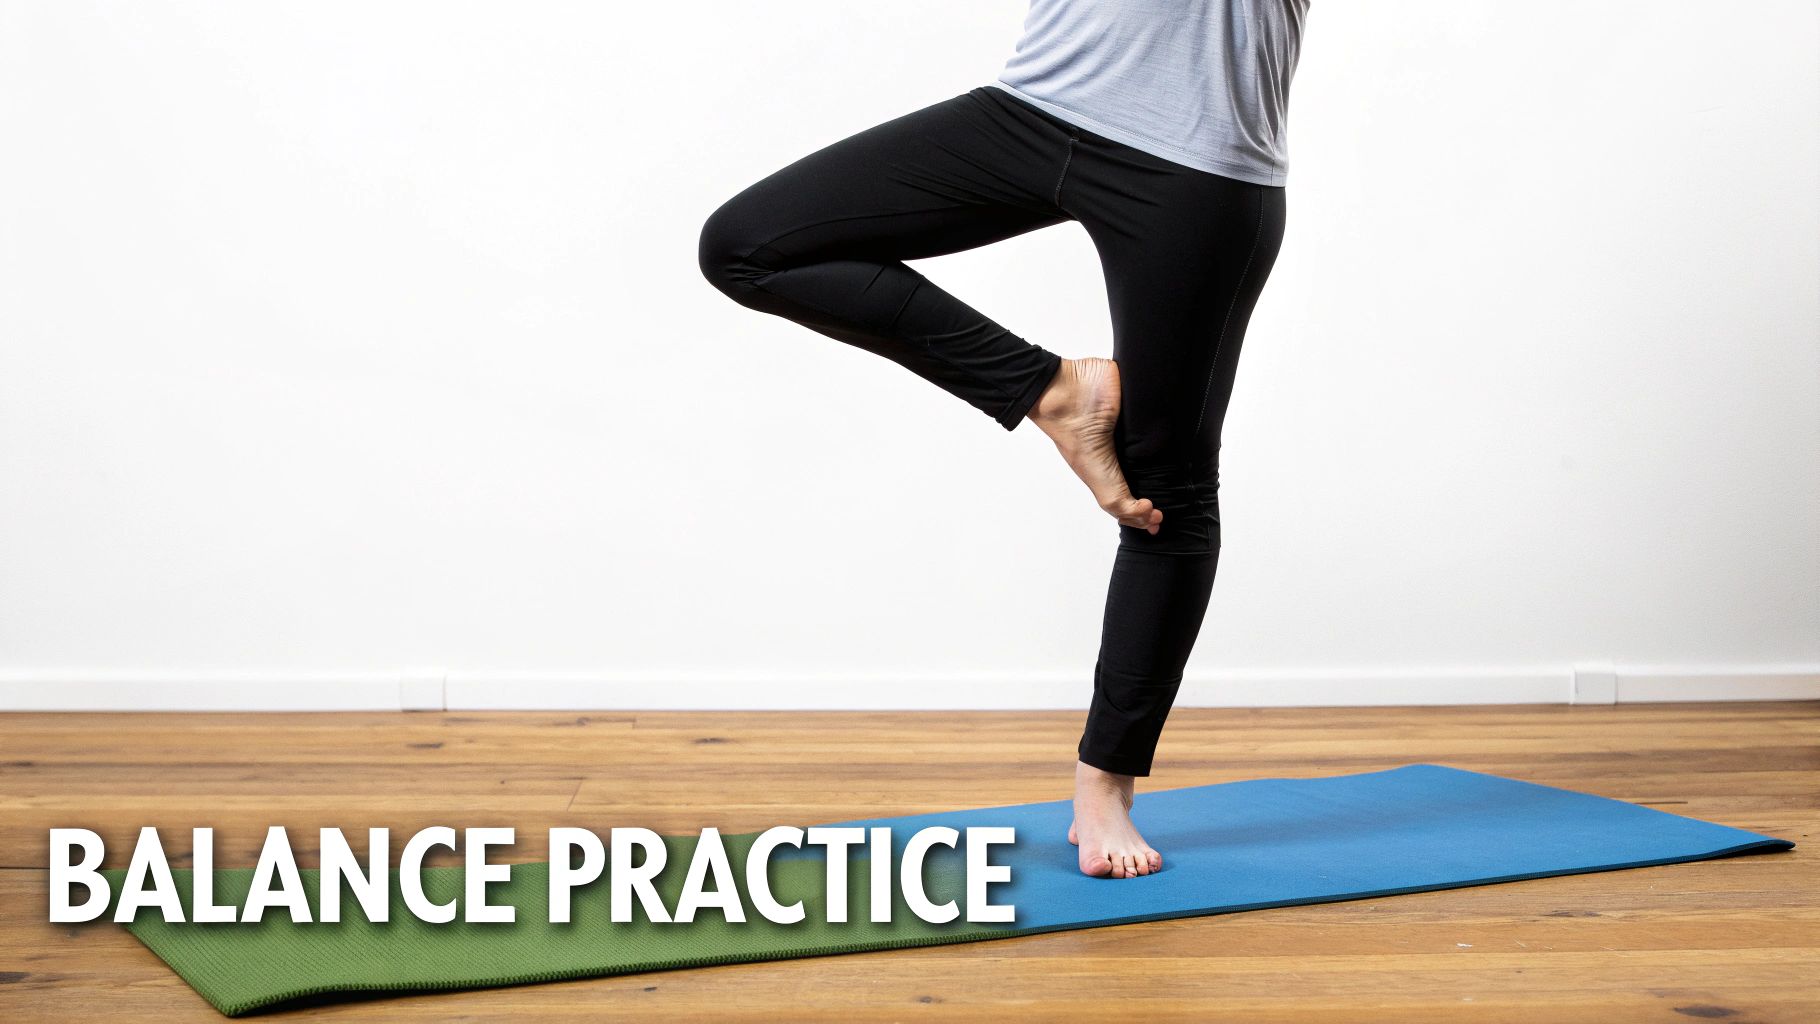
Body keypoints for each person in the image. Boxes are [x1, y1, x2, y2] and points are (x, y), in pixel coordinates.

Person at [698, 0, 1310, 879]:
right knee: (747, 244)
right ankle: (1052, 391)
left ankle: (1105, 783)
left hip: (1197, 156)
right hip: (1038, 107)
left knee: (1164, 489)